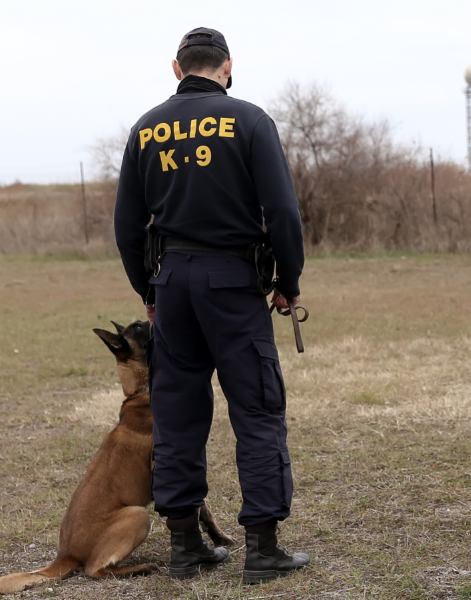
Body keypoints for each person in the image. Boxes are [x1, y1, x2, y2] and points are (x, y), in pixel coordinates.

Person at [114, 27, 310, 584]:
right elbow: (285, 214)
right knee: (257, 408)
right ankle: (263, 548)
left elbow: (127, 224)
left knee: (176, 413)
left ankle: (184, 547)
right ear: (228, 66)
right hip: (233, 281)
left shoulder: (145, 128)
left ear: (177, 69)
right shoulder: (250, 120)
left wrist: (148, 291)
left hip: (172, 283)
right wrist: (288, 281)